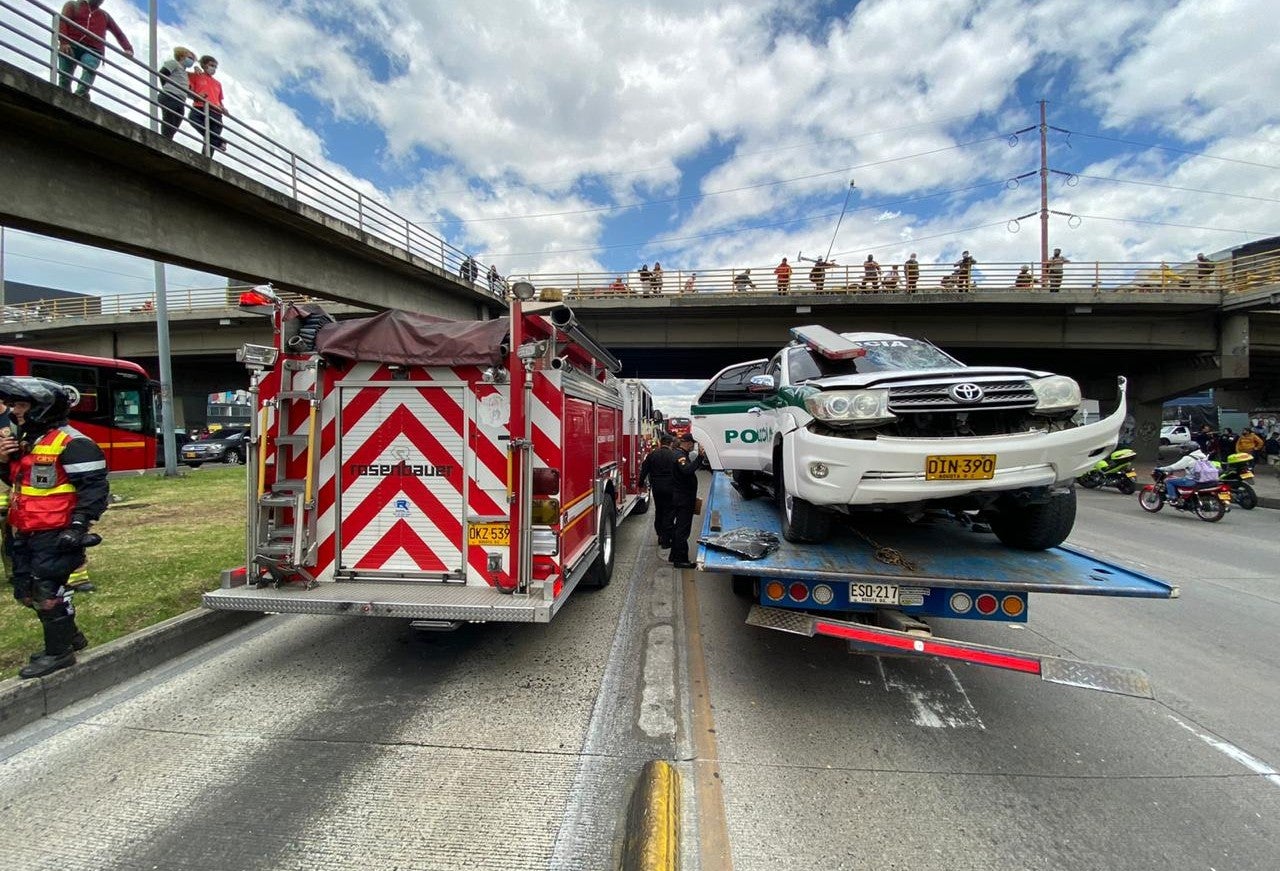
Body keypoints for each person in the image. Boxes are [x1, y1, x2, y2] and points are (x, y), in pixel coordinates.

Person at [0, 377, 109, 679]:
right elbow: (19, 484)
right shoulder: (28, 443)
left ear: (42, 408)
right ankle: (71, 637)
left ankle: (59, 653)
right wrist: (3, 459)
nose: (13, 411)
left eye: (20, 404)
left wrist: (77, 527)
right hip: (25, 531)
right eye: (11, 404)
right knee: (25, 592)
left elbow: (94, 490)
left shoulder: (75, 444)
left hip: (56, 533)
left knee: (47, 592)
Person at [57, 0, 133, 98]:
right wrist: (64, 42)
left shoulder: (105, 16)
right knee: (65, 77)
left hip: (93, 49)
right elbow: (63, 22)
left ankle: (80, 95)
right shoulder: (73, 5)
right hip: (71, 44)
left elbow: (118, 33)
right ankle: (64, 96)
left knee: (90, 66)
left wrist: (128, 48)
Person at [668, 433, 705, 569]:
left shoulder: (679, 454)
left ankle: (673, 556)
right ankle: (681, 560)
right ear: (687, 443)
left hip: (681, 497)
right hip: (683, 499)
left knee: (679, 528)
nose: (693, 446)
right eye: (692, 444)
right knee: (682, 531)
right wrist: (700, 457)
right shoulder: (680, 456)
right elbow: (686, 470)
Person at [638, 434, 677, 549]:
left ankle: (660, 534)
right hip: (670, 487)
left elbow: (644, 469)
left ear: (660, 442)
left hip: (657, 487)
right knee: (669, 512)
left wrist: (640, 484)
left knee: (659, 510)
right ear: (671, 443)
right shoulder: (674, 455)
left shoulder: (652, 455)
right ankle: (666, 539)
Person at [188, 55, 227, 156]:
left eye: (215, 66)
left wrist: (223, 108)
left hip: (216, 111)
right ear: (204, 65)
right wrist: (195, 67)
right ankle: (219, 142)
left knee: (209, 141)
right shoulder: (196, 75)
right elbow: (180, 72)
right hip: (200, 106)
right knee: (193, 119)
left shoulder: (217, 83)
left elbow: (219, 99)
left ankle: (206, 160)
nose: (213, 68)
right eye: (211, 65)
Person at [157, 45, 196, 140]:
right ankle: (165, 141)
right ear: (182, 56)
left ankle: (167, 140)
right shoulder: (174, 63)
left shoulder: (185, 73)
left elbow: (185, 88)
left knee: (175, 123)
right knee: (169, 120)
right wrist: (168, 88)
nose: (191, 61)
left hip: (181, 100)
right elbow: (162, 73)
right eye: (190, 57)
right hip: (170, 95)